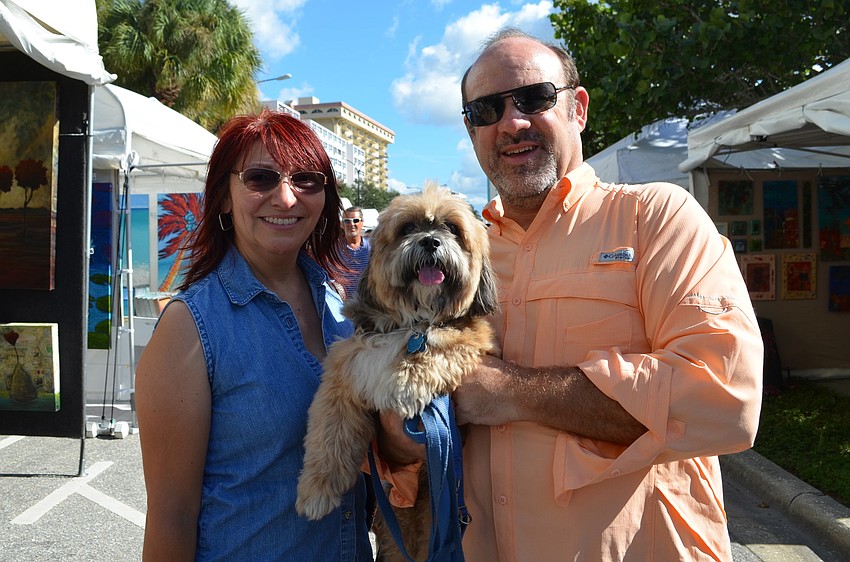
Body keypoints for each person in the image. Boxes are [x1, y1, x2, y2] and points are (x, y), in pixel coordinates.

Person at [379, 28, 764, 561]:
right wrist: (400, 437)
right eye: (485, 110)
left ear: (577, 108)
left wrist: (507, 390)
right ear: (471, 132)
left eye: (534, 98)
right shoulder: (463, 260)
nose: (511, 122)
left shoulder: (655, 219)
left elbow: (726, 399)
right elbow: (410, 445)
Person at [135, 110, 373, 562]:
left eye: (307, 179)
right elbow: (171, 516)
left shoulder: (342, 308)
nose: (286, 198)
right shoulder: (190, 328)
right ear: (224, 197)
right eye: (261, 178)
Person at [334, 206, 371, 299]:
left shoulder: (372, 249)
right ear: (342, 224)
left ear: (362, 223)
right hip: (342, 306)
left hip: (367, 305)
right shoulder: (334, 251)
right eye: (347, 221)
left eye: (355, 220)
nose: (351, 224)